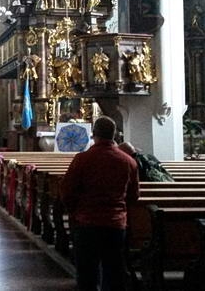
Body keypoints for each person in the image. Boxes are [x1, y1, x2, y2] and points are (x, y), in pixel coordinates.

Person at [60, 116, 140, 291]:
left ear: (94, 134)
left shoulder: (82, 159)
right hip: (115, 224)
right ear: (114, 135)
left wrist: (74, 213)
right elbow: (134, 196)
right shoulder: (128, 161)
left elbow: (67, 191)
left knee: (87, 275)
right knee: (113, 273)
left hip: (86, 223)